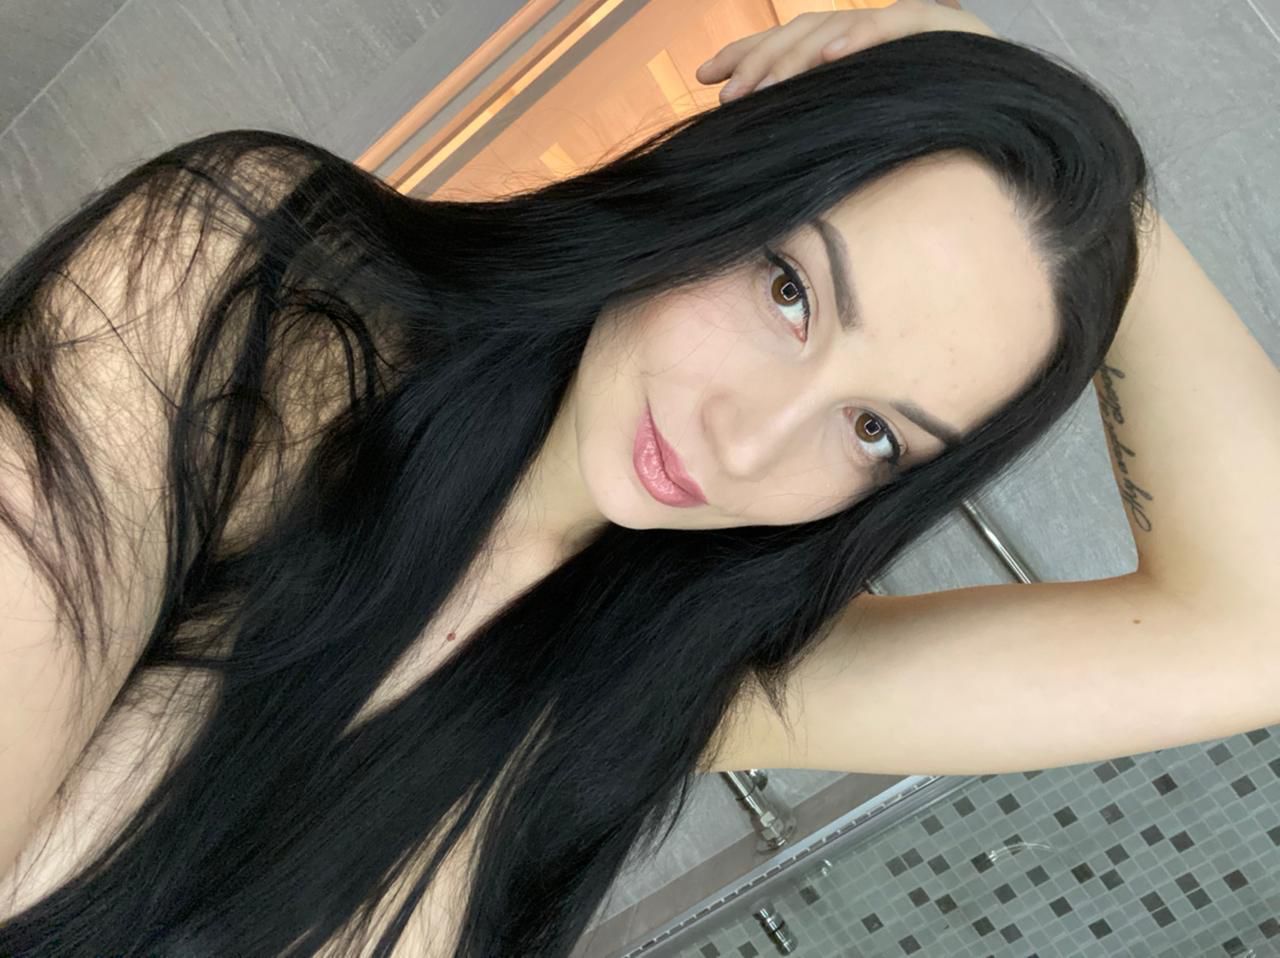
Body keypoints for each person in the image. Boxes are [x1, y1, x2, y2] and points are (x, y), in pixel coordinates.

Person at [0, 1, 1275, 955]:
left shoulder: (665, 684)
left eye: (874, 431)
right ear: (721, 183)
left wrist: (1098, 216)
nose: (746, 444)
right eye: (789, 292)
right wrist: (991, 93)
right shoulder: (257, 301)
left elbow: (1252, 627)